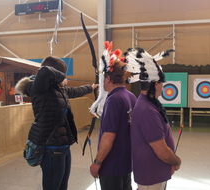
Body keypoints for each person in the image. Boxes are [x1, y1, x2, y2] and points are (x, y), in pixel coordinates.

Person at [15, 56, 98, 190]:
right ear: (56, 74)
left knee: (62, 186)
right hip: (51, 147)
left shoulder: (58, 90)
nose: (63, 77)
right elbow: (44, 71)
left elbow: (75, 91)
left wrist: (91, 87)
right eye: (61, 73)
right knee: (52, 186)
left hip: (63, 145)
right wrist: (61, 77)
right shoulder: (38, 88)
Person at [125, 47, 181, 190]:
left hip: (154, 173)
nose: (163, 86)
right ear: (156, 84)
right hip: (151, 176)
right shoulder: (147, 110)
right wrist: (176, 160)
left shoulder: (148, 104)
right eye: (162, 82)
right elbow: (161, 151)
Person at [90, 42, 137, 190]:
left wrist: (97, 162)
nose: (102, 82)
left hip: (112, 166)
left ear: (108, 79)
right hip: (125, 163)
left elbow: (109, 136)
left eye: (102, 78)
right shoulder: (130, 96)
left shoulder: (113, 100)